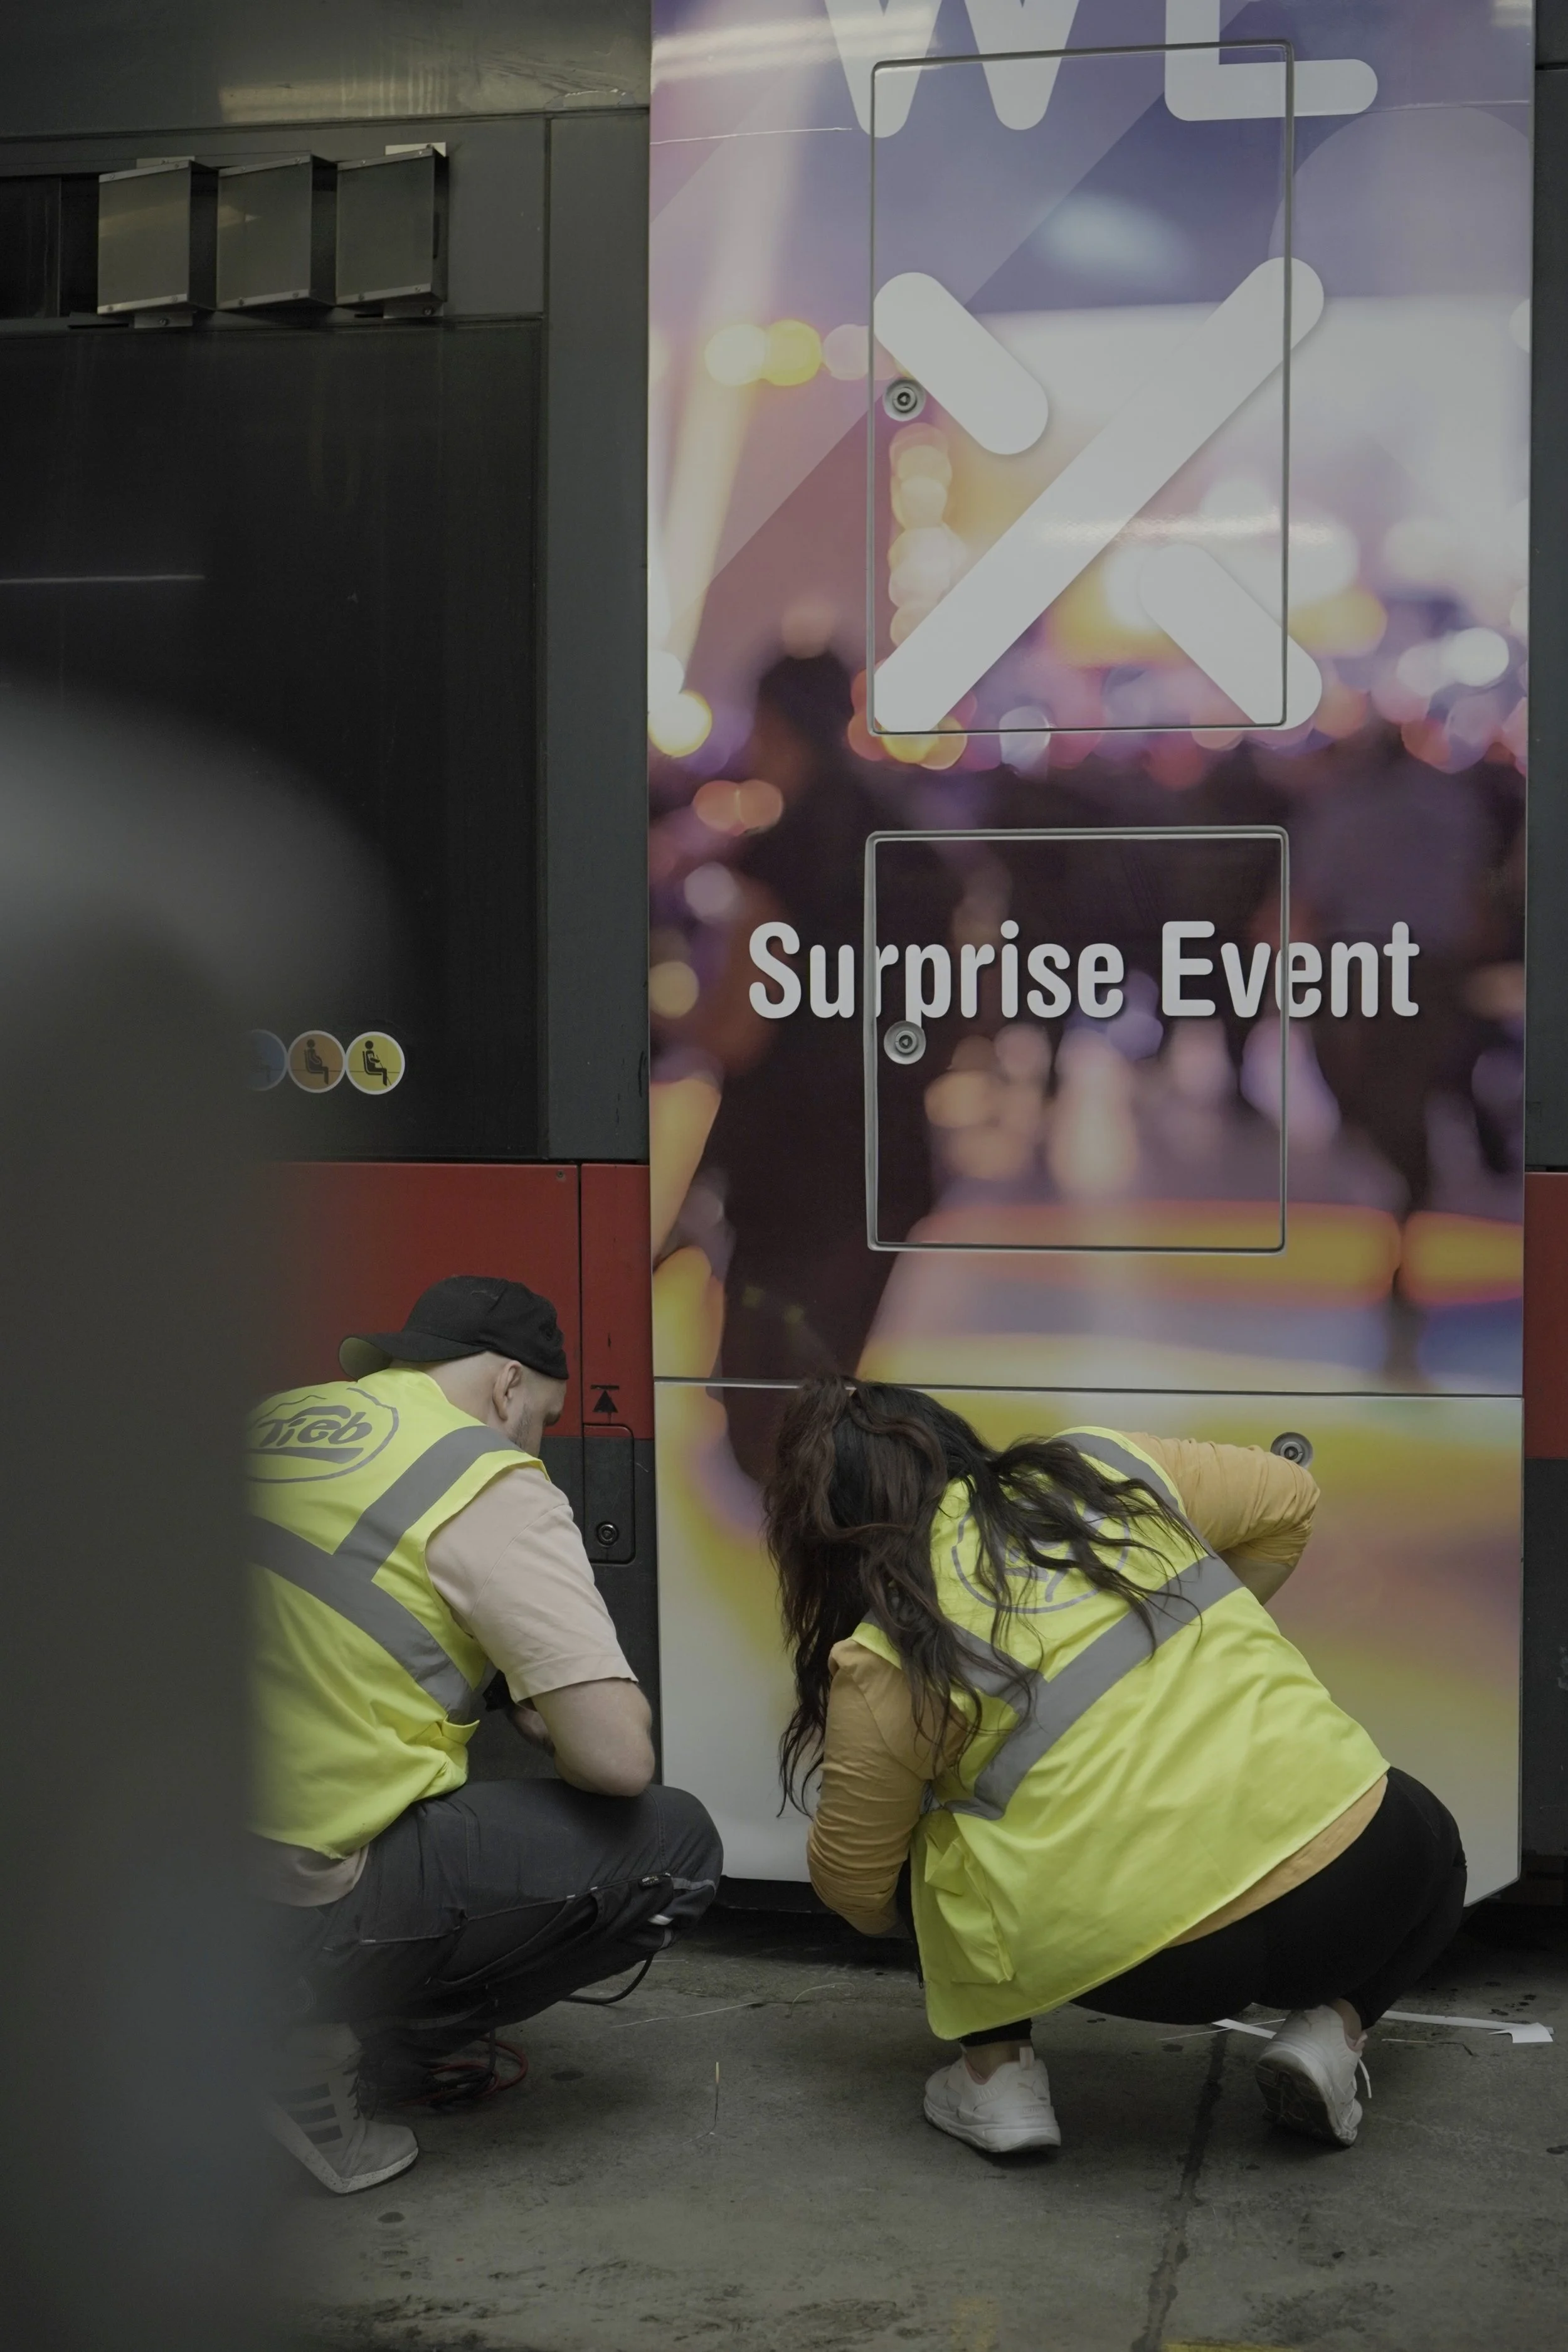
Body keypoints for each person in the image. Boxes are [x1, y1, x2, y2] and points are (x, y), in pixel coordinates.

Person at [764, 1379, 1465, 2157]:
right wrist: (1177, 1650)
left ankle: (998, 2081)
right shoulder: (1102, 1468)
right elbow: (1288, 1499)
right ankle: (1331, 2035)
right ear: (953, 1440)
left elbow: (855, 1883)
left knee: (927, 1850)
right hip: (1362, 1886)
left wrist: (942, 1912)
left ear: (824, 1539)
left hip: (1161, 1965)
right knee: (1417, 1821)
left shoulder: (883, 1654)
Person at [251, 1274, 723, 2194]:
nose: (539, 1437)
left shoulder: (273, 1416)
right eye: (545, 1415)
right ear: (510, 1386)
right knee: (676, 1843)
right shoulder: (487, 1475)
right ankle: (311, 2054)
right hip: (280, 1900)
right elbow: (618, 1760)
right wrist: (546, 1717)